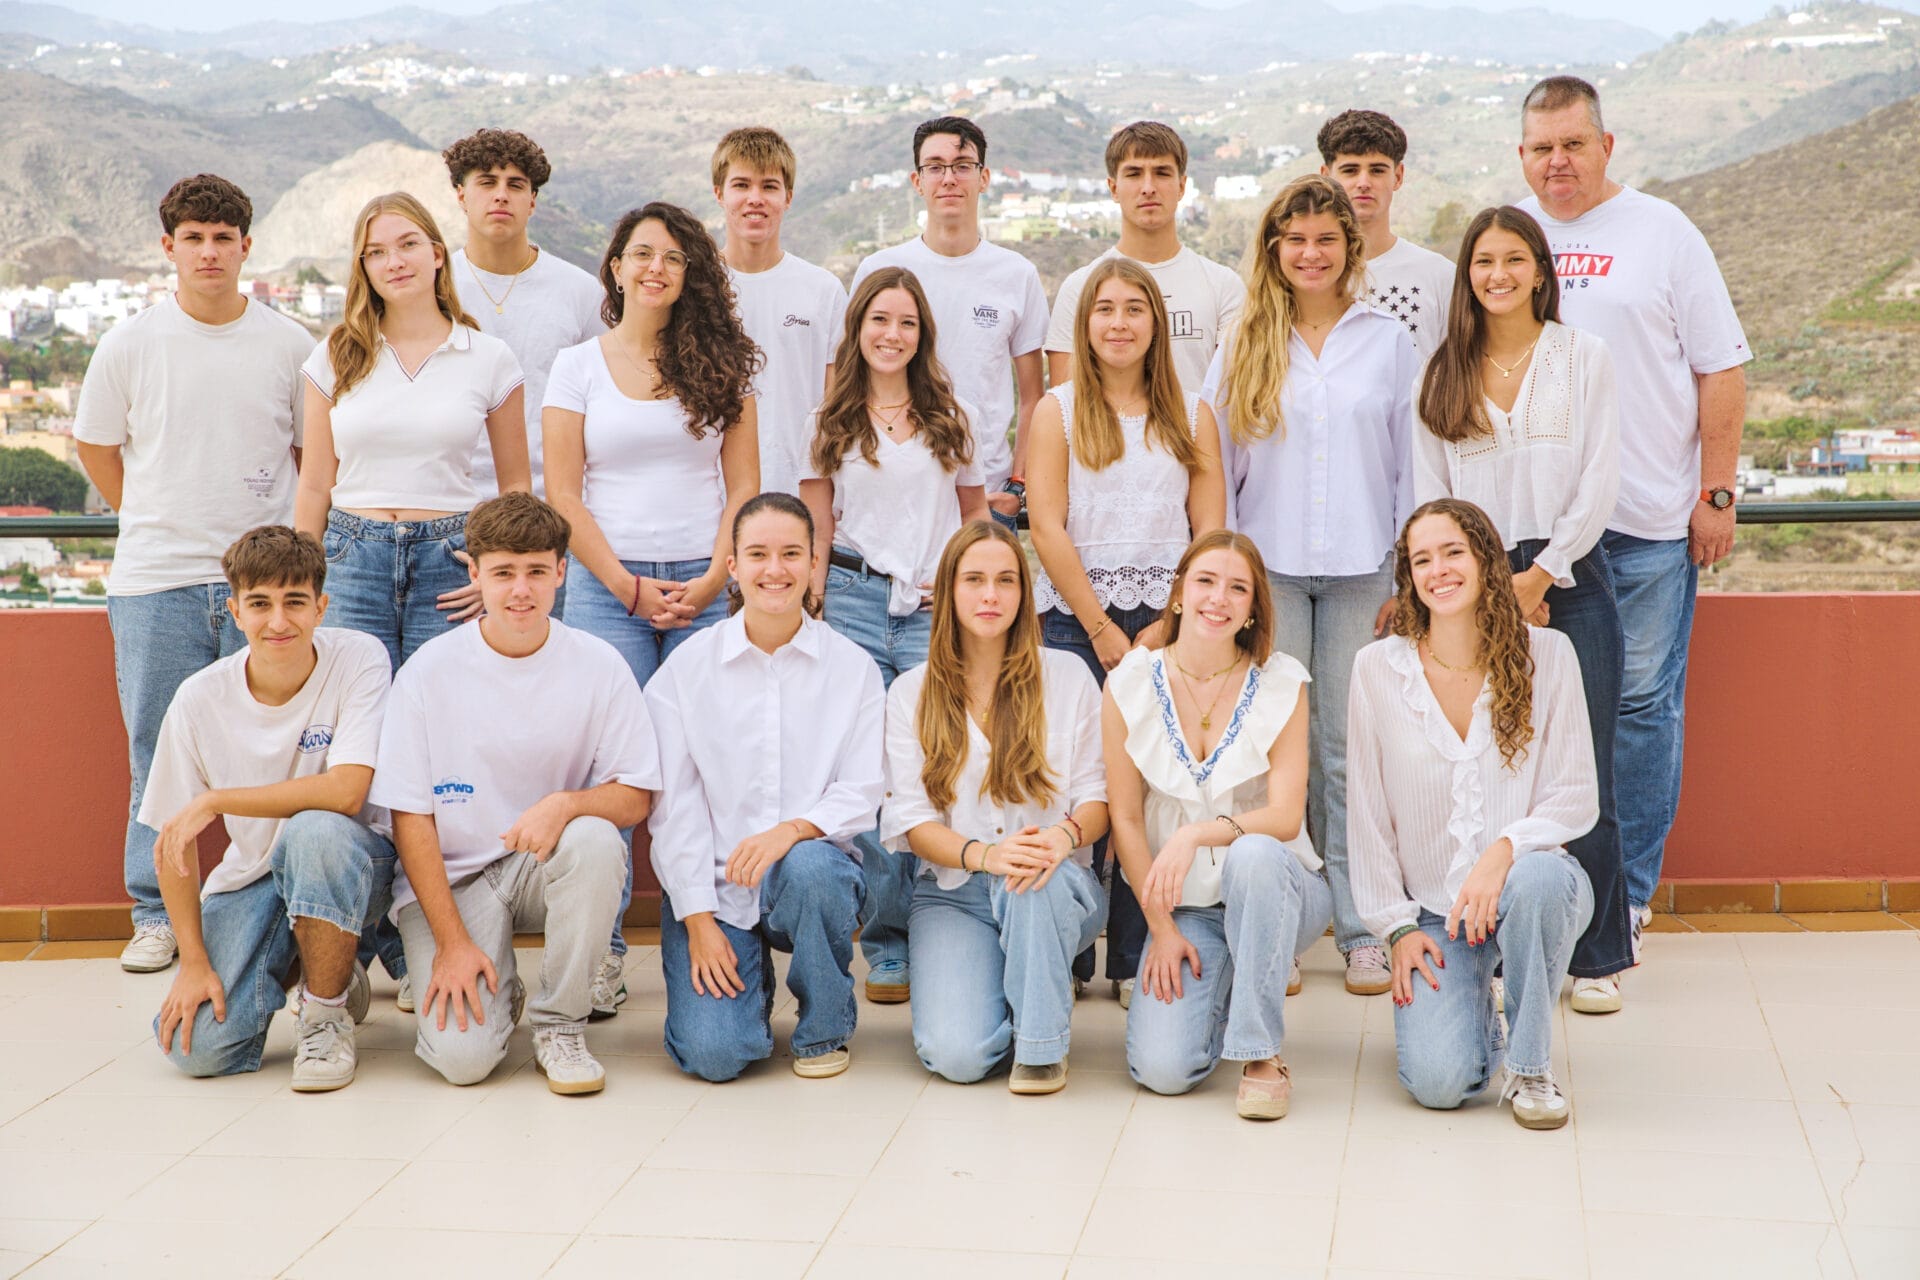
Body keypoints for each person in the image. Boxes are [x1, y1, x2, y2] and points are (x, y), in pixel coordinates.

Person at [1515, 75, 1750, 949]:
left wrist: (1716, 494)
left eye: (1573, 144)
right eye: (1542, 148)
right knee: (1534, 709)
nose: (1558, 161)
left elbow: (1721, 367)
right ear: (1522, 156)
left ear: (1605, 146)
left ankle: (1629, 893)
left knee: (1641, 709)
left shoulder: (1663, 231)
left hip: (1646, 522)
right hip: (1540, 526)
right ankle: (1542, 885)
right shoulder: (1511, 236)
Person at [74, 173, 316, 974]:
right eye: (193, 238)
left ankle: (289, 906)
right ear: (168, 247)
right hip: (157, 581)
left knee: (280, 752)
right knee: (157, 750)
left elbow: (311, 456)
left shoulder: (290, 345)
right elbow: (96, 447)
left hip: (265, 588)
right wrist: (149, 514)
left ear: (246, 247)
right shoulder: (130, 343)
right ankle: (156, 913)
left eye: (222, 238)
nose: (208, 252)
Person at [544, 202, 762, 1017]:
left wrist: (713, 578)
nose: (655, 269)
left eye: (672, 257)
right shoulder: (577, 367)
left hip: (705, 589)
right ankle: (601, 954)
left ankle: (713, 932)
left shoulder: (724, 366)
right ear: (616, 267)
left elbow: (744, 487)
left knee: (705, 764)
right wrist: (626, 585)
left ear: (689, 273)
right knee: (610, 772)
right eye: (641, 254)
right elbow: (564, 493)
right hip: (607, 592)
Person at [1199, 174, 1415, 999]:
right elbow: (1217, 460)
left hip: (1364, 571)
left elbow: (1409, 461)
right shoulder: (1244, 340)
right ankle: (1278, 927)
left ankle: (1361, 929)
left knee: (1347, 753)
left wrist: (1407, 571)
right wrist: (1226, 572)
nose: (1311, 253)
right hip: (1270, 574)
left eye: (1326, 239)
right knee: (1266, 754)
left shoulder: (1387, 341)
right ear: (1274, 248)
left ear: (1348, 249)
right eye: (1295, 239)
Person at [1413, 205, 1632, 1013]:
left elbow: (1600, 477)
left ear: (1541, 270)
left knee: (1586, 765)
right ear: (1466, 275)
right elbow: (1431, 494)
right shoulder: (1442, 372)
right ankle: (1500, 949)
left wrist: (1542, 574)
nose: (1497, 274)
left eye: (1514, 259)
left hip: (1570, 578)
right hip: (1471, 579)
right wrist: (1471, 581)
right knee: (1492, 769)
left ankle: (1597, 956)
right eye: (1483, 261)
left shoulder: (1583, 357)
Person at [370, 493, 659, 1094]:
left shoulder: (599, 664)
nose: (521, 590)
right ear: (475, 574)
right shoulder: (428, 671)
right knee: (464, 1062)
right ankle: (499, 987)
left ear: (561, 572)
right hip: (452, 884)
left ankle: (561, 1024)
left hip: (540, 867)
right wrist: (452, 944)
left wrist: (567, 803)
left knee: (595, 839)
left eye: (536, 571)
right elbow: (410, 818)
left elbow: (636, 794)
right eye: (503, 573)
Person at [1348, 498, 1598, 1130]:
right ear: (1408, 576)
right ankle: (1484, 1008)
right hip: (1437, 910)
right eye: (1421, 560)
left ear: (1486, 560)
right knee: (1439, 1084)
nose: (1439, 570)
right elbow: (1368, 812)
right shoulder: (1376, 669)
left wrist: (1503, 852)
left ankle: (1530, 1065)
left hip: (1529, 890)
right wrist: (1395, 928)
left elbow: (1575, 794)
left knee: (1540, 876)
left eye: (1453, 552)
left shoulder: (1550, 655)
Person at [1028, 256, 1227, 1004]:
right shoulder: (1057, 410)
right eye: (1104, 309)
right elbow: (1046, 526)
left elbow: (1209, 534)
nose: (1119, 323)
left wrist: (1167, 623)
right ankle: (1070, 946)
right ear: (1085, 325)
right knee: (1077, 780)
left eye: (1134, 309)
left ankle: (1137, 953)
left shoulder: (1192, 413)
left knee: (1153, 785)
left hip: (1170, 624)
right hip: (1075, 621)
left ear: (1156, 324)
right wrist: (1102, 628)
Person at [146, 526, 395, 1091]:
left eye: (295, 602)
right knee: (198, 1049)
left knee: (315, 831)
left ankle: (325, 1015)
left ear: (321, 607)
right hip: (257, 877)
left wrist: (216, 800)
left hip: (356, 867)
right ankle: (327, 966)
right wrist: (193, 961)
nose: (278, 621)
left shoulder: (359, 658)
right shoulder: (199, 698)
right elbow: (173, 841)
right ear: (235, 611)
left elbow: (347, 792)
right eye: (260, 604)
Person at [646, 493, 884, 1082]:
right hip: (716, 889)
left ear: (813, 562)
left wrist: (791, 832)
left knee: (812, 868)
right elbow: (674, 810)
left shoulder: (852, 668)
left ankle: (823, 1027)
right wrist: (698, 921)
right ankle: (748, 984)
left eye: (791, 554)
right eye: (757, 554)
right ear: (732, 565)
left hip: (808, 880)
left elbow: (862, 789)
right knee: (715, 1055)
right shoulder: (686, 671)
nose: (774, 569)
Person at [800, 266, 988, 1005]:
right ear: (858, 330)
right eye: (880, 319)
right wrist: (814, 598)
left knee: (933, 762)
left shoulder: (953, 416)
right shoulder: (830, 419)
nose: (892, 334)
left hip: (932, 608)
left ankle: (945, 920)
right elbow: (818, 523)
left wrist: (968, 580)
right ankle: (886, 942)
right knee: (871, 773)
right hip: (851, 599)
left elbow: (975, 517)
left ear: (922, 334)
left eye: (907, 322)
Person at [1106, 531, 1327, 1120]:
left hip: (1280, 887)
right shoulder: (1131, 682)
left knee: (1254, 855)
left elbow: (1284, 817)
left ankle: (1261, 1054)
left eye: (1237, 588)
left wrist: (1195, 833)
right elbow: (1124, 816)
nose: (1218, 599)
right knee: (1162, 1070)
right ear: (1179, 592)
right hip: (1191, 909)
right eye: (1206, 581)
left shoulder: (1280, 681)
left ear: (1253, 606)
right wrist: (1160, 928)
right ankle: (1236, 982)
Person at [883, 520, 1109, 1093]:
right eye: (975, 580)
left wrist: (1058, 839)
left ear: (1024, 593)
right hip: (955, 892)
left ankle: (1041, 1049)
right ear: (948, 590)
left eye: (1006, 580)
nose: (991, 595)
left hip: (1055, 883)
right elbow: (914, 824)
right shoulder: (911, 692)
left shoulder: (1069, 676)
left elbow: (1099, 800)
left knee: (1031, 880)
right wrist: (988, 855)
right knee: (958, 1057)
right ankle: (1021, 983)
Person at [294, 191, 530, 673]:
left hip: (452, 560)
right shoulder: (334, 354)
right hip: (350, 562)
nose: (395, 262)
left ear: (437, 254)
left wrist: (496, 572)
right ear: (364, 268)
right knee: (357, 707)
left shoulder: (489, 357)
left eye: (407, 244)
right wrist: (302, 581)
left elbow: (516, 486)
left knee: (445, 707)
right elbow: (315, 484)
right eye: (376, 252)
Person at [852, 116, 1048, 528]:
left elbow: (1034, 397)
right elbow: (852, 380)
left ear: (983, 177)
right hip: (894, 493)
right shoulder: (880, 269)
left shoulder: (1017, 275)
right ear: (917, 181)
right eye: (935, 167)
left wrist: (1017, 485)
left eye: (962, 166)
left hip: (987, 498)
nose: (949, 178)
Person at [444, 128, 606, 504]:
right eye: (487, 182)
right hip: (452, 505)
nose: (501, 194)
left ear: (532, 201)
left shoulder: (581, 291)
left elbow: (604, 397)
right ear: (461, 196)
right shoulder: (434, 288)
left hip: (555, 502)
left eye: (515, 185)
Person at [1044, 120, 1245, 396]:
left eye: (1162, 173)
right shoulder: (1079, 289)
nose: (1148, 187)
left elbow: (1233, 399)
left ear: (1182, 186)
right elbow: (1065, 405)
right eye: (1134, 174)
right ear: (1113, 188)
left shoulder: (1223, 286)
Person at [711, 127, 849, 496]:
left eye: (769, 186)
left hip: (800, 494)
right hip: (709, 500)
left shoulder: (823, 290)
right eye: (742, 185)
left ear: (788, 197)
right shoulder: (694, 287)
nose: (755, 199)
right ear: (719, 193)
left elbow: (837, 405)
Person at [1317, 109, 1456, 362]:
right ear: (1326, 177)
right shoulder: (1309, 275)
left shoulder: (1441, 276)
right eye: (1350, 170)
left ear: (1398, 176)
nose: (1363, 182)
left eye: (1377, 170)